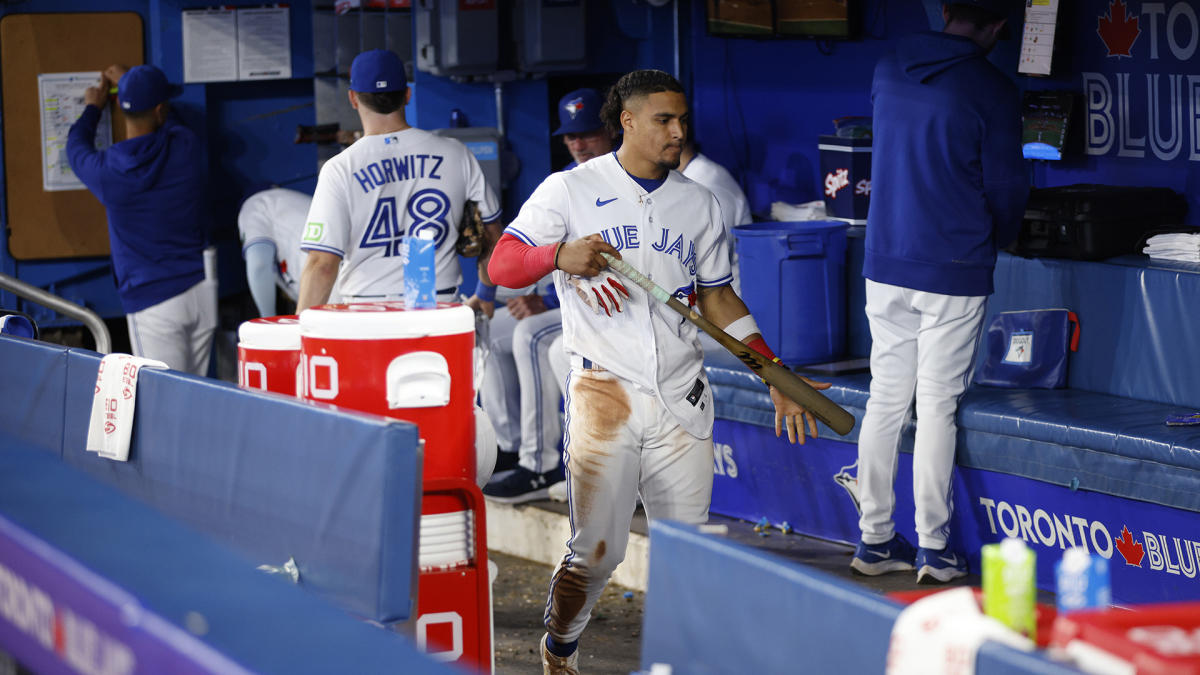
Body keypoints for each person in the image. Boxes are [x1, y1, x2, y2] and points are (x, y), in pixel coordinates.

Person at [487, 69, 826, 673]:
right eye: (664, 119)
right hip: (602, 392)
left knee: (685, 550)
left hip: (682, 393)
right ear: (628, 121)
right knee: (596, 553)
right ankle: (559, 647)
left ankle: (681, 660)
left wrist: (776, 375)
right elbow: (503, 266)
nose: (678, 131)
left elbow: (719, 299)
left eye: (683, 120)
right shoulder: (568, 189)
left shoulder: (699, 201)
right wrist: (558, 255)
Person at [851, 0, 1028, 584]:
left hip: (886, 258)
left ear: (947, 10)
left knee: (885, 399)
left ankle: (875, 541)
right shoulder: (991, 86)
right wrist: (996, 240)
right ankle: (934, 549)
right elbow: (1006, 189)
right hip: (952, 265)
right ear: (999, 26)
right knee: (935, 408)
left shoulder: (889, 64)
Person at [480, 88, 616, 503]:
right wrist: (500, 294)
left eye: (587, 133)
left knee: (533, 337)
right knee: (486, 331)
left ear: (611, 130)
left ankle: (537, 466)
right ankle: (509, 445)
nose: (578, 144)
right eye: (570, 137)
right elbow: (521, 249)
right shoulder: (564, 183)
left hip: (605, 304)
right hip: (566, 298)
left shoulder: (621, 183)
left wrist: (546, 302)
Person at [297, 49, 502, 313]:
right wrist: (485, 294)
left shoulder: (340, 168)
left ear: (352, 98)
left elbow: (322, 264)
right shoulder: (456, 153)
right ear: (407, 94)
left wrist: (300, 333)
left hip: (366, 311)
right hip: (437, 307)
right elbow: (493, 237)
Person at [68, 64, 216, 375]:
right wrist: (130, 85)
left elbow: (76, 149)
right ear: (161, 109)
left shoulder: (108, 171)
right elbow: (171, 122)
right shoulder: (186, 146)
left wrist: (93, 108)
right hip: (200, 290)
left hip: (153, 302)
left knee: (164, 402)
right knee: (200, 397)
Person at [237, 187, 315, 317]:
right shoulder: (296, 202)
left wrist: (268, 321)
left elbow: (259, 264)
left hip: (326, 288)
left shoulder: (255, 203)